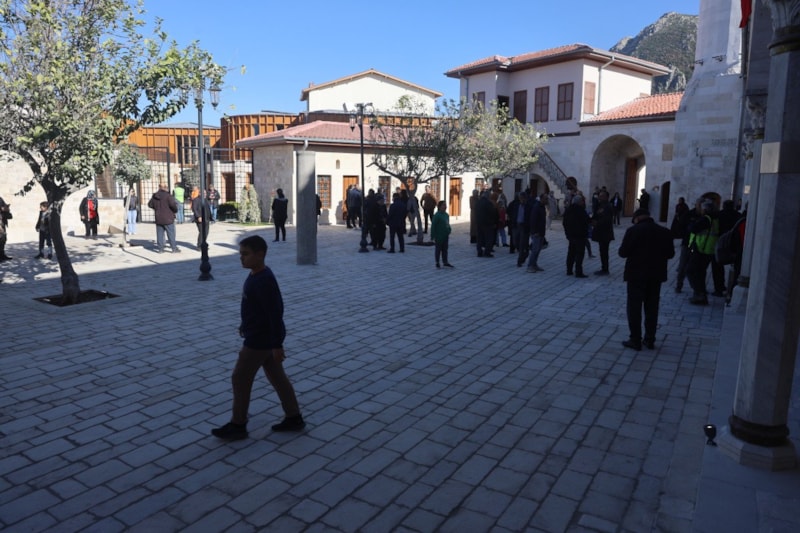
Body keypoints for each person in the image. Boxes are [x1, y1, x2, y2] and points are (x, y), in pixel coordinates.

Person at [211, 235, 305, 440]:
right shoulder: (255, 275)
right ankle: (294, 417)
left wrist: (277, 344)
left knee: (240, 378)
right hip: (262, 337)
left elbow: (275, 313)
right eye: (240, 254)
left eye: (245, 254)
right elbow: (255, 308)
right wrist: (245, 324)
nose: (241, 258)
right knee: (277, 377)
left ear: (260, 254)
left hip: (259, 341)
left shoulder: (264, 280)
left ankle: (238, 424)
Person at [618, 208, 675, 350]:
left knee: (634, 308)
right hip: (656, 275)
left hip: (636, 275)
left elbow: (623, 252)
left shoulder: (633, 231)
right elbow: (671, 254)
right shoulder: (664, 231)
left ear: (637, 218)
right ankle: (650, 339)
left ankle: (635, 339)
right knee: (652, 307)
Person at [686, 199, 719, 305]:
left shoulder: (706, 219)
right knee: (700, 273)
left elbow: (693, 228)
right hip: (709, 249)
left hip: (701, 249)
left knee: (691, 271)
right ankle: (701, 295)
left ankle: (699, 293)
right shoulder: (716, 218)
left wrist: (692, 222)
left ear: (704, 209)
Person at [148, 182, 180, 253]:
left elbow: (150, 204)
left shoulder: (155, 196)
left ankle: (160, 249)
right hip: (168, 217)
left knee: (160, 234)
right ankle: (174, 248)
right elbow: (173, 205)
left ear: (159, 187)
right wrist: (175, 210)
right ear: (165, 188)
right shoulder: (168, 196)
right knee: (171, 234)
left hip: (158, 217)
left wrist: (156, 208)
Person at [563, 195, 590, 277]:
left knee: (571, 252)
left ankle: (569, 270)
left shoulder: (568, 210)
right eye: (582, 201)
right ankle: (578, 272)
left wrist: (567, 233)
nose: (583, 202)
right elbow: (586, 221)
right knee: (579, 253)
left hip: (571, 235)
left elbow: (564, 222)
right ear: (579, 202)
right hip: (580, 235)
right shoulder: (581, 210)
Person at [591, 190, 615, 275]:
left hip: (605, 233)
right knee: (602, 251)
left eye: (602, 196)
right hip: (601, 232)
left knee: (604, 251)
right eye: (599, 196)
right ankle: (604, 268)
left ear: (606, 197)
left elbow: (607, 220)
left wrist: (596, 223)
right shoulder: (600, 205)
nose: (600, 197)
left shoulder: (607, 206)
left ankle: (605, 269)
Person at [526, 193, 547, 272]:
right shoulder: (536, 207)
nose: (547, 200)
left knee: (538, 250)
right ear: (541, 199)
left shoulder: (542, 207)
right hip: (536, 233)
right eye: (545, 199)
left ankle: (534, 264)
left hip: (541, 232)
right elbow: (533, 220)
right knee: (535, 250)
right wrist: (535, 231)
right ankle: (530, 266)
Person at [431, 200, 454, 269]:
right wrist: (433, 235)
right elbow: (433, 225)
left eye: (445, 205)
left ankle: (445, 262)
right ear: (439, 207)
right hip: (439, 235)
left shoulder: (446, 215)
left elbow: (447, 224)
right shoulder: (437, 215)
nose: (445, 206)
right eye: (443, 205)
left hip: (445, 235)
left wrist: (449, 229)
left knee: (445, 249)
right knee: (438, 249)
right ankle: (437, 262)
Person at [475, 190, 497, 257]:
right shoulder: (488, 203)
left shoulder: (478, 202)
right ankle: (487, 252)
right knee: (489, 238)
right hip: (488, 223)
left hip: (479, 222)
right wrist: (494, 221)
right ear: (488, 196)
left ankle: (479, 252)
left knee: (479, 238)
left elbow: (475, 212)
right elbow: (492, 212)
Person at [0, 196, 13, 261]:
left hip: (2, 223)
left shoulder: (0, 199)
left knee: (3, 240)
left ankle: (2, 255)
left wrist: (6, 209)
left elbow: (5, 208)